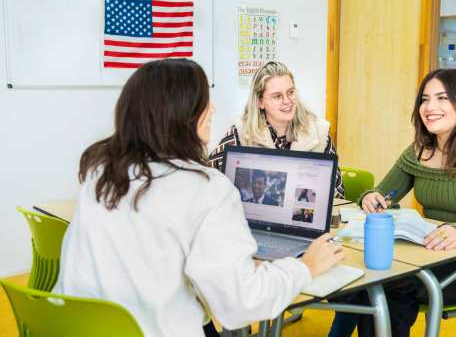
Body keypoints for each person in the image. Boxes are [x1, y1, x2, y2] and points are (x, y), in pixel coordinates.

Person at [52, 58, 345, 337]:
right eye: (204, 100)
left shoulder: (100, 172)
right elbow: (240, 305)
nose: (213, 107)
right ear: (182, 116)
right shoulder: (207, 189)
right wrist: (304, 267)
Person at [329, 68, 456, 337]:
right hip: (431, 250)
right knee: (366, 278)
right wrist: (372, 197)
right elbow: (383, 193)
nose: (430, 107)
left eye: (442, 98)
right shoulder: (419, 150)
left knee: (386, 285)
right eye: (424, 99)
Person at [208, 61, 345, 199]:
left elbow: (337, 193)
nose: (287, 101)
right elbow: (208, 179)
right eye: (277, 96)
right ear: (260, 102)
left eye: (290, 92)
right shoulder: (241, 132)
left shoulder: (319, 132)